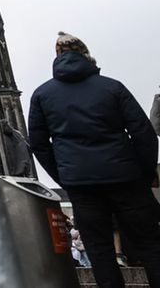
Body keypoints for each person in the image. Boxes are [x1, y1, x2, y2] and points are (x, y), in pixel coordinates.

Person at [28, 32, 160, 288]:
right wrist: (143, 174)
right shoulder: (112, 87)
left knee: (99, 251)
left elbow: (39, 145)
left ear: (56, 56)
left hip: (81, 185)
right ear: (86, 54)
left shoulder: (42, 95)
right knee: (151, 245)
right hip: (125, 178)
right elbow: (144, 133)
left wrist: (66, 176)